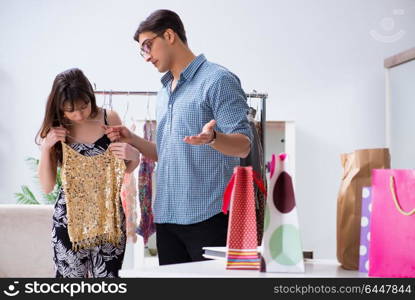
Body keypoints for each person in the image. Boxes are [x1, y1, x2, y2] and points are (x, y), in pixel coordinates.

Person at [105, 9, 253, 265]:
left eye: (148, 46)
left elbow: (243, 145)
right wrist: (132, 139)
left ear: (170, 35)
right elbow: (166, 152)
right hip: (167, 217)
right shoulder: (164, 92)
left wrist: (214, 138)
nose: (146, 56)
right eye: (142, 50)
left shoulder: (218, 80)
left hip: (209, 216)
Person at [36, 68, 140, 277]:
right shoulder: (56, 129)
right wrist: (46, 147)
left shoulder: (109, 118)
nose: (79, 115)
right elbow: (47, 186)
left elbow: (123, 169)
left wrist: (134, 156)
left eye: (84, 106)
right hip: (69, 222)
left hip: (109, 219)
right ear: (59, 107)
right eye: (70, 110)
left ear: (90, 95)